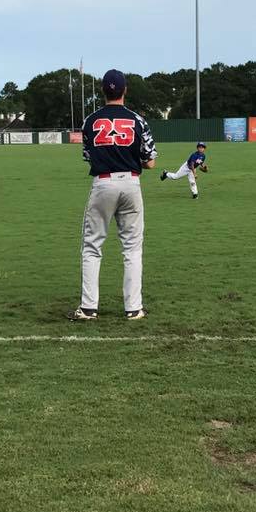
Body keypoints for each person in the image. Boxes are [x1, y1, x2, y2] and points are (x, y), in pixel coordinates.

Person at [68, 69, 157, 322]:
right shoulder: (138, 120)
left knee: (92, 246)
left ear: (102, 91)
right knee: (132, 248)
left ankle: (88, 308)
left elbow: (88, 156)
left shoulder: (90, 121)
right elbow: (150, 162)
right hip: (131, 182)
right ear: (125, 90)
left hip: (103, 183)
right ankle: (134, 308)